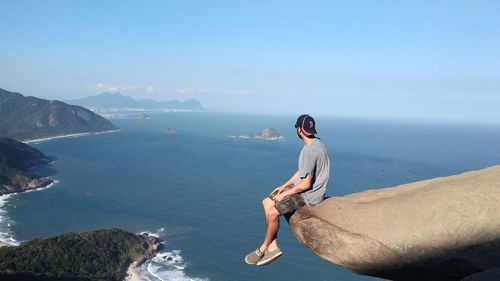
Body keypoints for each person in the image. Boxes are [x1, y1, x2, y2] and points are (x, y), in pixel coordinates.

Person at [245, 114, 330, 266]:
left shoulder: (311, 151)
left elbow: (305, 184)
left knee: (273, 212)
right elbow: (302, 171)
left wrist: (285, 194)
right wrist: (284, 186)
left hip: (309, 195)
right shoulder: (316, 143)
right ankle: (273, 246)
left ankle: (263, 248)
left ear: (299, 130)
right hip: (303, 187)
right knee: (266, 202)